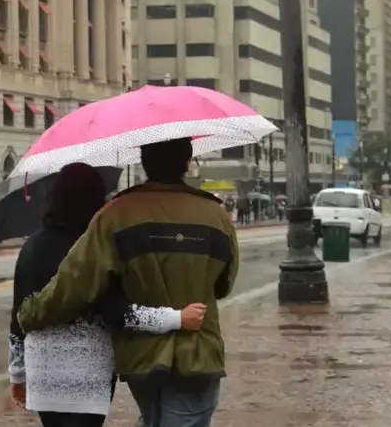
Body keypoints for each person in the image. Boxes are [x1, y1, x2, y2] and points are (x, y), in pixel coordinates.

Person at [19, 137, 239, 426]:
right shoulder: (216, 215)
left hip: (143, 356)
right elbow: (224, 285)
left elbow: (76, 282)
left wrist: (33, 312)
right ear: (187, 162)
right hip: (199, 352)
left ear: (144, 161)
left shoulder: (115, 215)